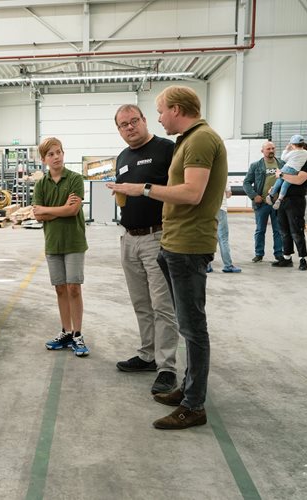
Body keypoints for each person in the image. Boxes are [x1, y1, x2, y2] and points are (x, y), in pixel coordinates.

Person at [108, 85, 227, 430]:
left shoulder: (188, 142)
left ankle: (185, 391)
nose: (158, 118)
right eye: (123, 124)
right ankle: (173, 378)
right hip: (151, 239)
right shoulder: (176, 144)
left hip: (178, 241)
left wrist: (141, 189)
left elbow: (192, 192)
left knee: (186, 323)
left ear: (174, 109)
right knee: (155, 308)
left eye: (156, 113)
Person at [112, 104, 180, 395]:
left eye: (133, 121)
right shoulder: (123, 157)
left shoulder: (167, 149)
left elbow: (181, 190)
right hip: (128, 238)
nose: (129, 127)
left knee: (163, 305)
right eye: (123, 124)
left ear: (144, 120)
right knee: (141, 302)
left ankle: (167, 367)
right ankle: (148, 355)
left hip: (157, 236)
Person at [33, 137, 90, 357]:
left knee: (74, 288)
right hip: (53, 243)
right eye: (51, 154)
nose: (56, 157)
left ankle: (77, 334)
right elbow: (37, 216)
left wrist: (48, 211)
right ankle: (66, 332)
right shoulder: (41, 184)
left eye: (59, 152)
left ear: (63, 154)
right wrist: (59, 208)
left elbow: (72, 211)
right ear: (44, 159)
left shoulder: (75, 179)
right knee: (60, 288)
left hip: (74, 242)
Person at [272, 141, 307, 271]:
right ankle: (287, 258)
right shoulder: (290, 163)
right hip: (283, 201)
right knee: (284, 231)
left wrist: (282, 175)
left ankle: (303, 259)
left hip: (296, 201)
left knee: (296, 231)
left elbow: (298, 180)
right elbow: (280, 180)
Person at [243, 142, 284, 263]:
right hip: (262, 204)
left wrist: (281, 195)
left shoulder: (282, 164)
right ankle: (259, 253)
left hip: (277, 203)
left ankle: (278, 253)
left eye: (273, 148)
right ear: (262, 151)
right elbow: (246, 183)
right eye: (268, 149)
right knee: (260, 229)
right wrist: (254, 196)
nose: (271, 150)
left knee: (278, 230)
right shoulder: (256, 166)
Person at [266, 134, 307, 209]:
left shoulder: (293, 152)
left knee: (279, 181)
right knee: (285, 185)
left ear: (293, 145)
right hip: (295, 171)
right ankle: (279, 199)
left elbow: (283, 158)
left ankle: (271, 195)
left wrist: (286, 149)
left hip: (287, 168)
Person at [213, 184, 241, 273]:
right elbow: (228, 194)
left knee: (210, 238)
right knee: (223, 239)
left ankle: (207, 265)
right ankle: (228, 265)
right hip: (220, 209)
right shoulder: (222, 176)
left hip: (209, 210)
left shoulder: (205, 175)